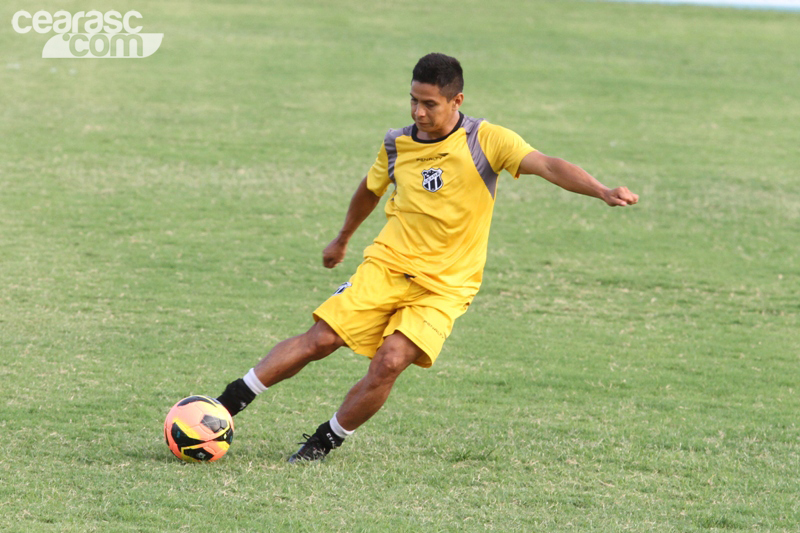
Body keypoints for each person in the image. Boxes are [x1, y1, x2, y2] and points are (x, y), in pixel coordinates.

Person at [215, 53, 638, 462]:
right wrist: (342, 239)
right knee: (321, 339)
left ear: (457, 101)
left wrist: (602, 191)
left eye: (430, 103)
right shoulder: (397, 144)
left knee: (390, 362)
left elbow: (547, 165)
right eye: (413, 100)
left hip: (446, 286)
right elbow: (369, 190)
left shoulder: (486, 140)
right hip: (388, 264)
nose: (418, 112)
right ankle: (222, 407)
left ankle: (322, 443)